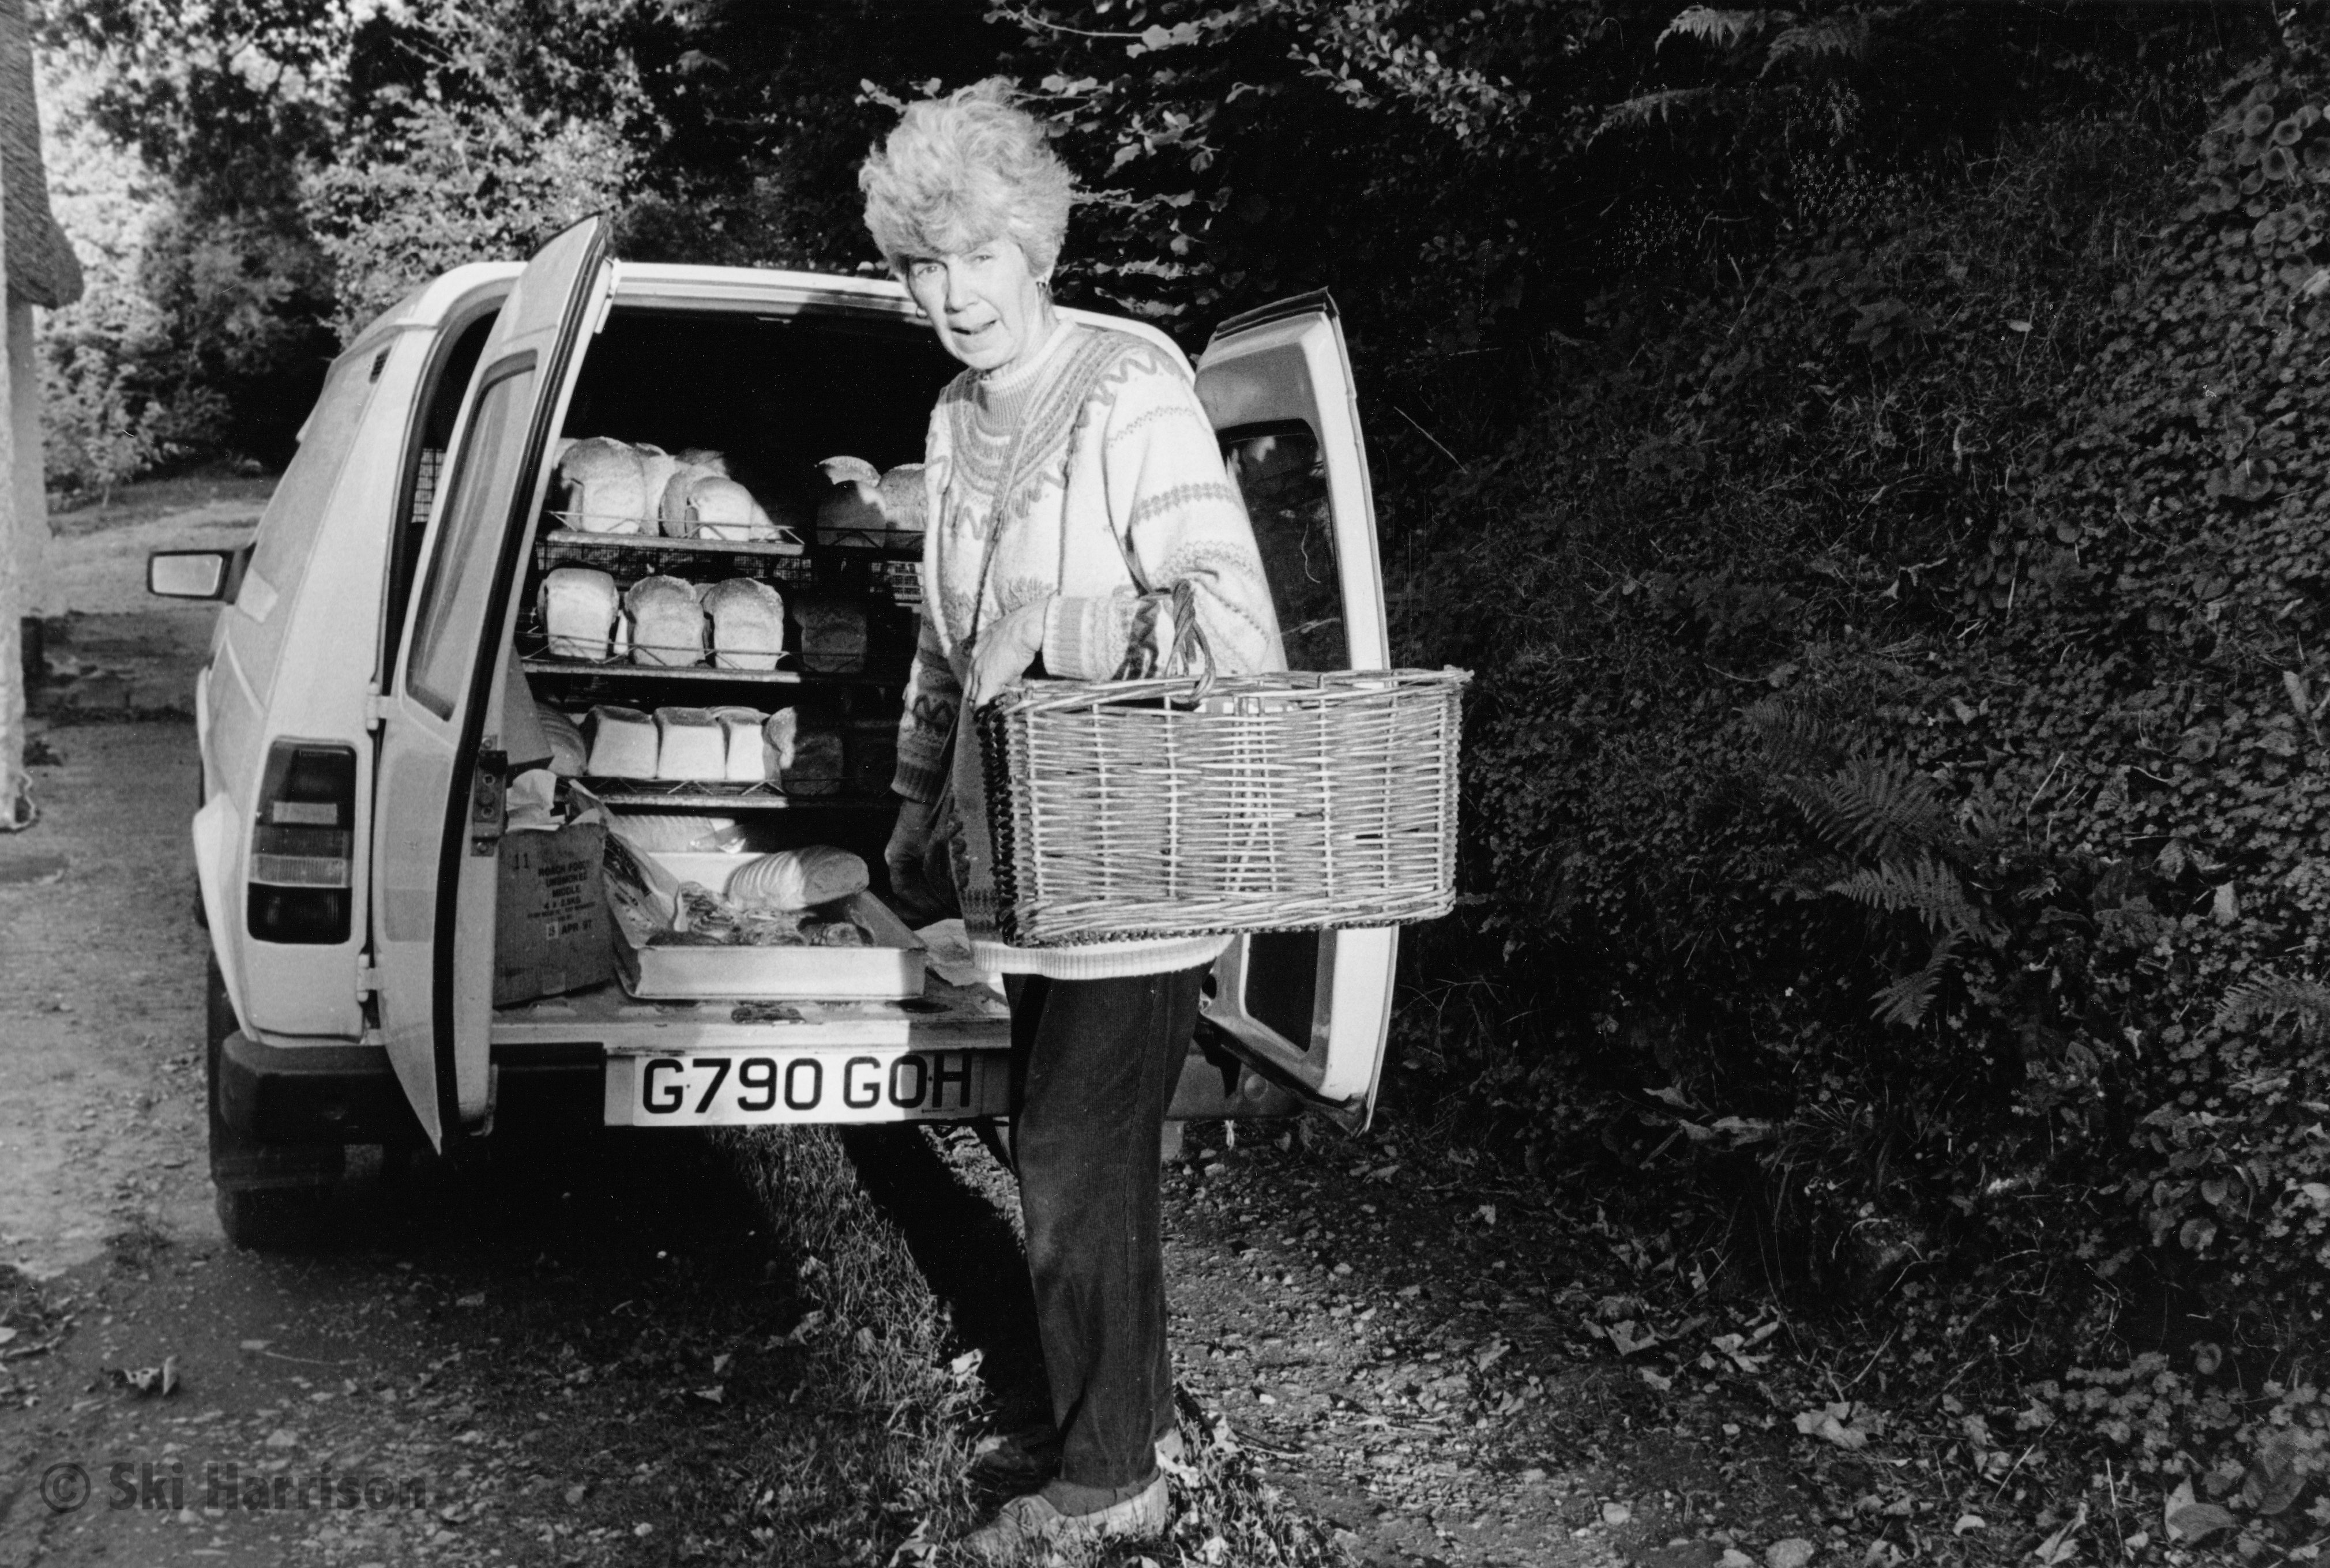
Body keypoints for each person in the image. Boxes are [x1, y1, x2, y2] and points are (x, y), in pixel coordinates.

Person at [859, 80, 1284, 1557]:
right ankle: (1109, 1419)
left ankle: (1107, 1484)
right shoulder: (950, 410)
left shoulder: (1129, 386)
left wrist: (1060, 623)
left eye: (982, 256)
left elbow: (1231, 624)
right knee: (1068, 1154)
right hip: (1023, 863)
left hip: (1139, 853)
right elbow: (939, 633)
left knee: (1066, 1158)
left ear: (1033, 248)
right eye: (927, 266)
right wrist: (917, 801)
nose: (958, 294)